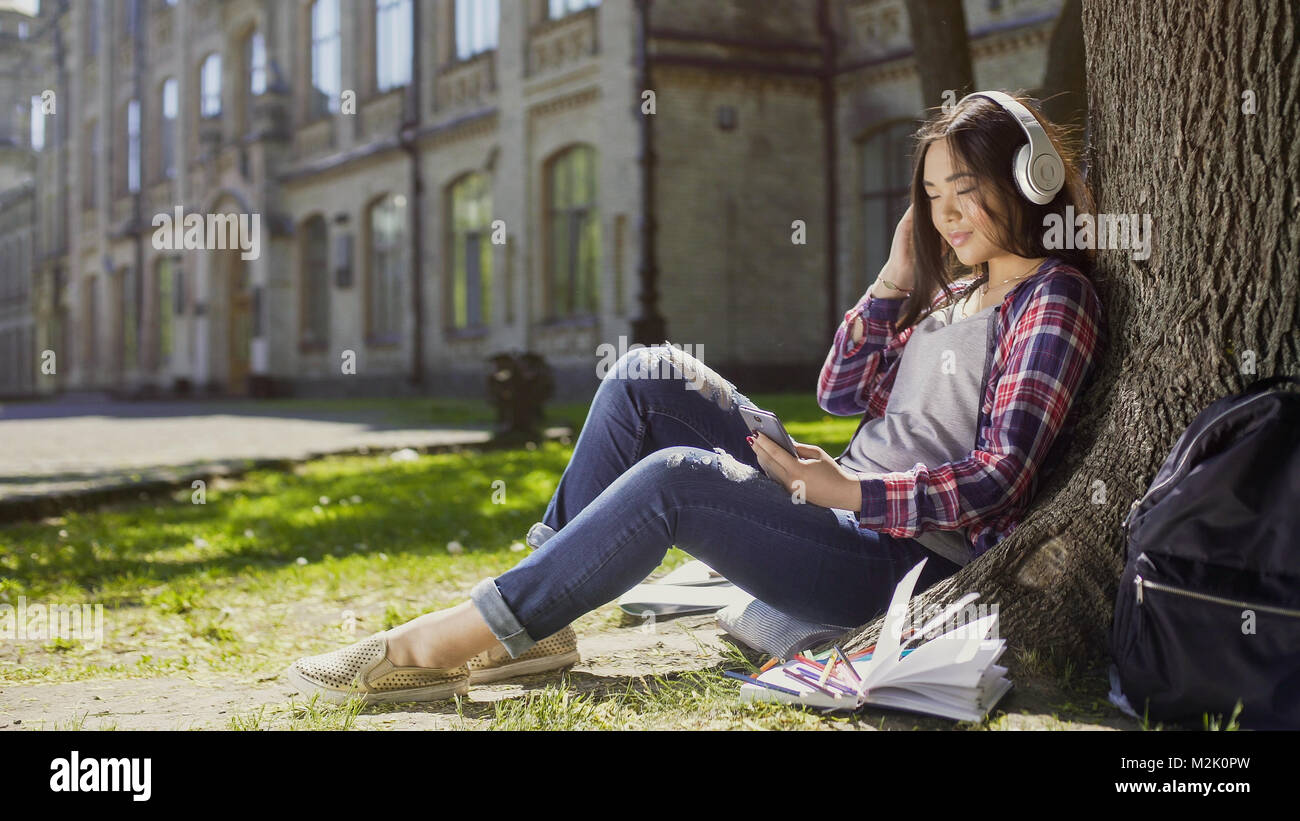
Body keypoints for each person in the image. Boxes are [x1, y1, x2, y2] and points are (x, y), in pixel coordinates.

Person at [285, 91, 1105, 705]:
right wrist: (897, 275)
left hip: (904, 560)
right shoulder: (948, 291)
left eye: (963, 188)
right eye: (929, 194)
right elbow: (840, 388)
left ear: (1025, 177)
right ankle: (539, 613)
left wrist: (844, 490)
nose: (945, 211)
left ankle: (446, 643)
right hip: (838, 502)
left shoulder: (1052, 296)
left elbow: (1001, 476)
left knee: (679, 476)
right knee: (650, 374)